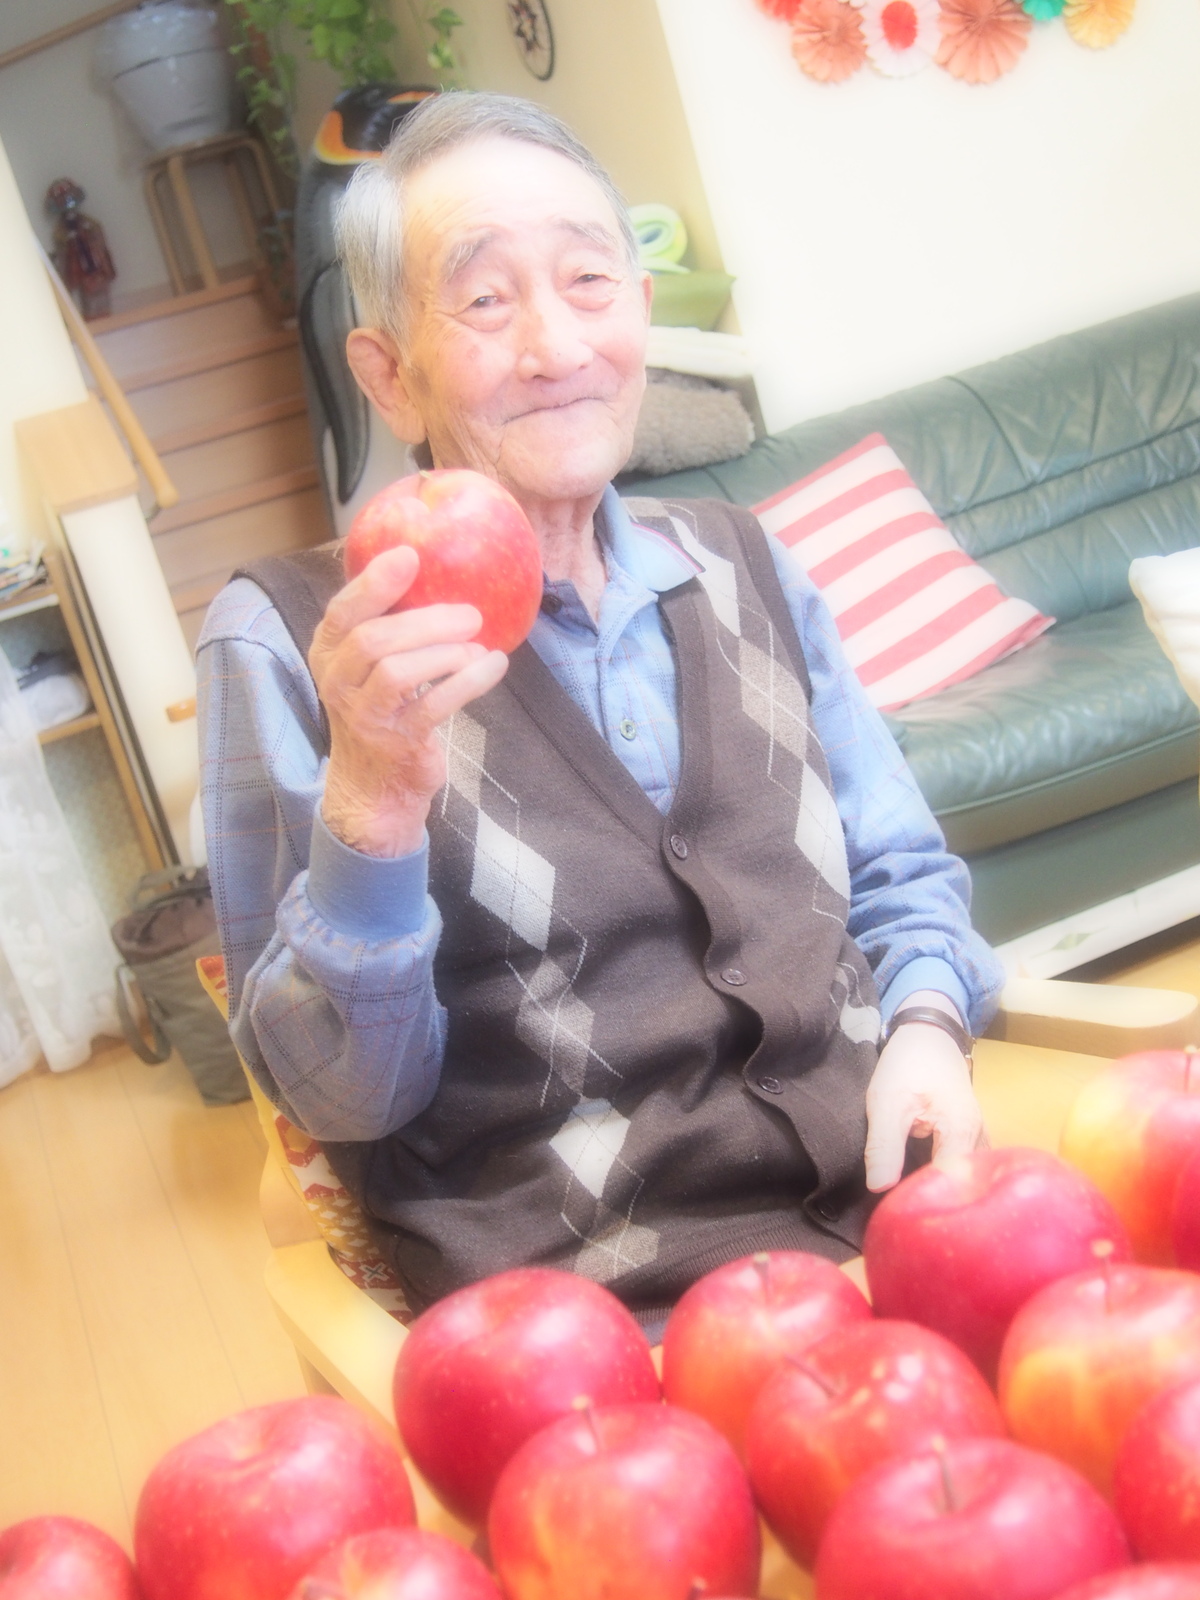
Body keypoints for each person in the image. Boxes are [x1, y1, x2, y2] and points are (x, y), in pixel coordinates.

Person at [197, 91, 1004, 1323]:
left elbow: (899, 870)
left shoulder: (746, 562)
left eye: (587, 279)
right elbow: (341, 1103)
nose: (555, 346)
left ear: (639, 308)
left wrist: (930, 1029)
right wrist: (371, 807)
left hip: (903, 1224)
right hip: (597, 1337)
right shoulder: (298, 642)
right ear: (391, 377)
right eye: (483, 299)